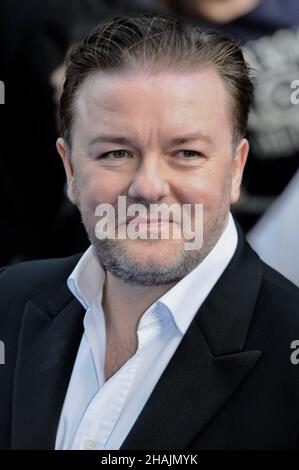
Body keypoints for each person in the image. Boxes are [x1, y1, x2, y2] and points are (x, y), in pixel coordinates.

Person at [0, 14, 299, 450]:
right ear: (69, 168)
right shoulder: (9, 302)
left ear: (235, 168)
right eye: (116, 152)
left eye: (187, 153)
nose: (148, 188)